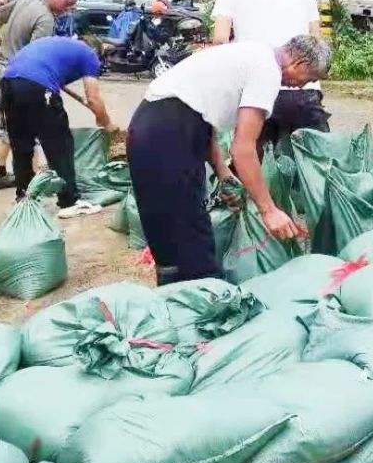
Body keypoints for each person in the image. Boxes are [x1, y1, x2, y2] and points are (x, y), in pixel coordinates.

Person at [127, 36, 332, 285]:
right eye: (307, 79)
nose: (301, 86)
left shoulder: (253, 54)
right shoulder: (267, 70)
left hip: (157, 127)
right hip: (167, 131)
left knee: (178, 231)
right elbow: (243, 148)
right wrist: (269, 211)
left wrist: (223, 173)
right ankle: (196, 304)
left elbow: (206, 118)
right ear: (299, 63)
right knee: (186, 236)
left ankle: (181, 298)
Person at [211, 0, 329, 149]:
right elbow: (316, 42)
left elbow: (220, 39)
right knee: (314, 164)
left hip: (255, 91)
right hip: (303, 91)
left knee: (254, 162)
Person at [0, 37, 114, 217]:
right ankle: (70, 201)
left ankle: (24, 199)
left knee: (22, 145)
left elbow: (41, 70)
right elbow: (93, 98)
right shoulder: (90, 55)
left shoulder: (61, 45)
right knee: (60, 144)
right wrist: (106, 122)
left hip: (8, 81)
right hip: (37, 84)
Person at [0, 0, 80, 190]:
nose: (68, 10)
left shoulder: (26, 0)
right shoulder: (45, 19)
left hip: (4, 71)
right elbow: (38, 57)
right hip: (22, 77)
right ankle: (34, 182)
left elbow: (0, 13)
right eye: (67, 4)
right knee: (30, 129)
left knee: (6, 124)